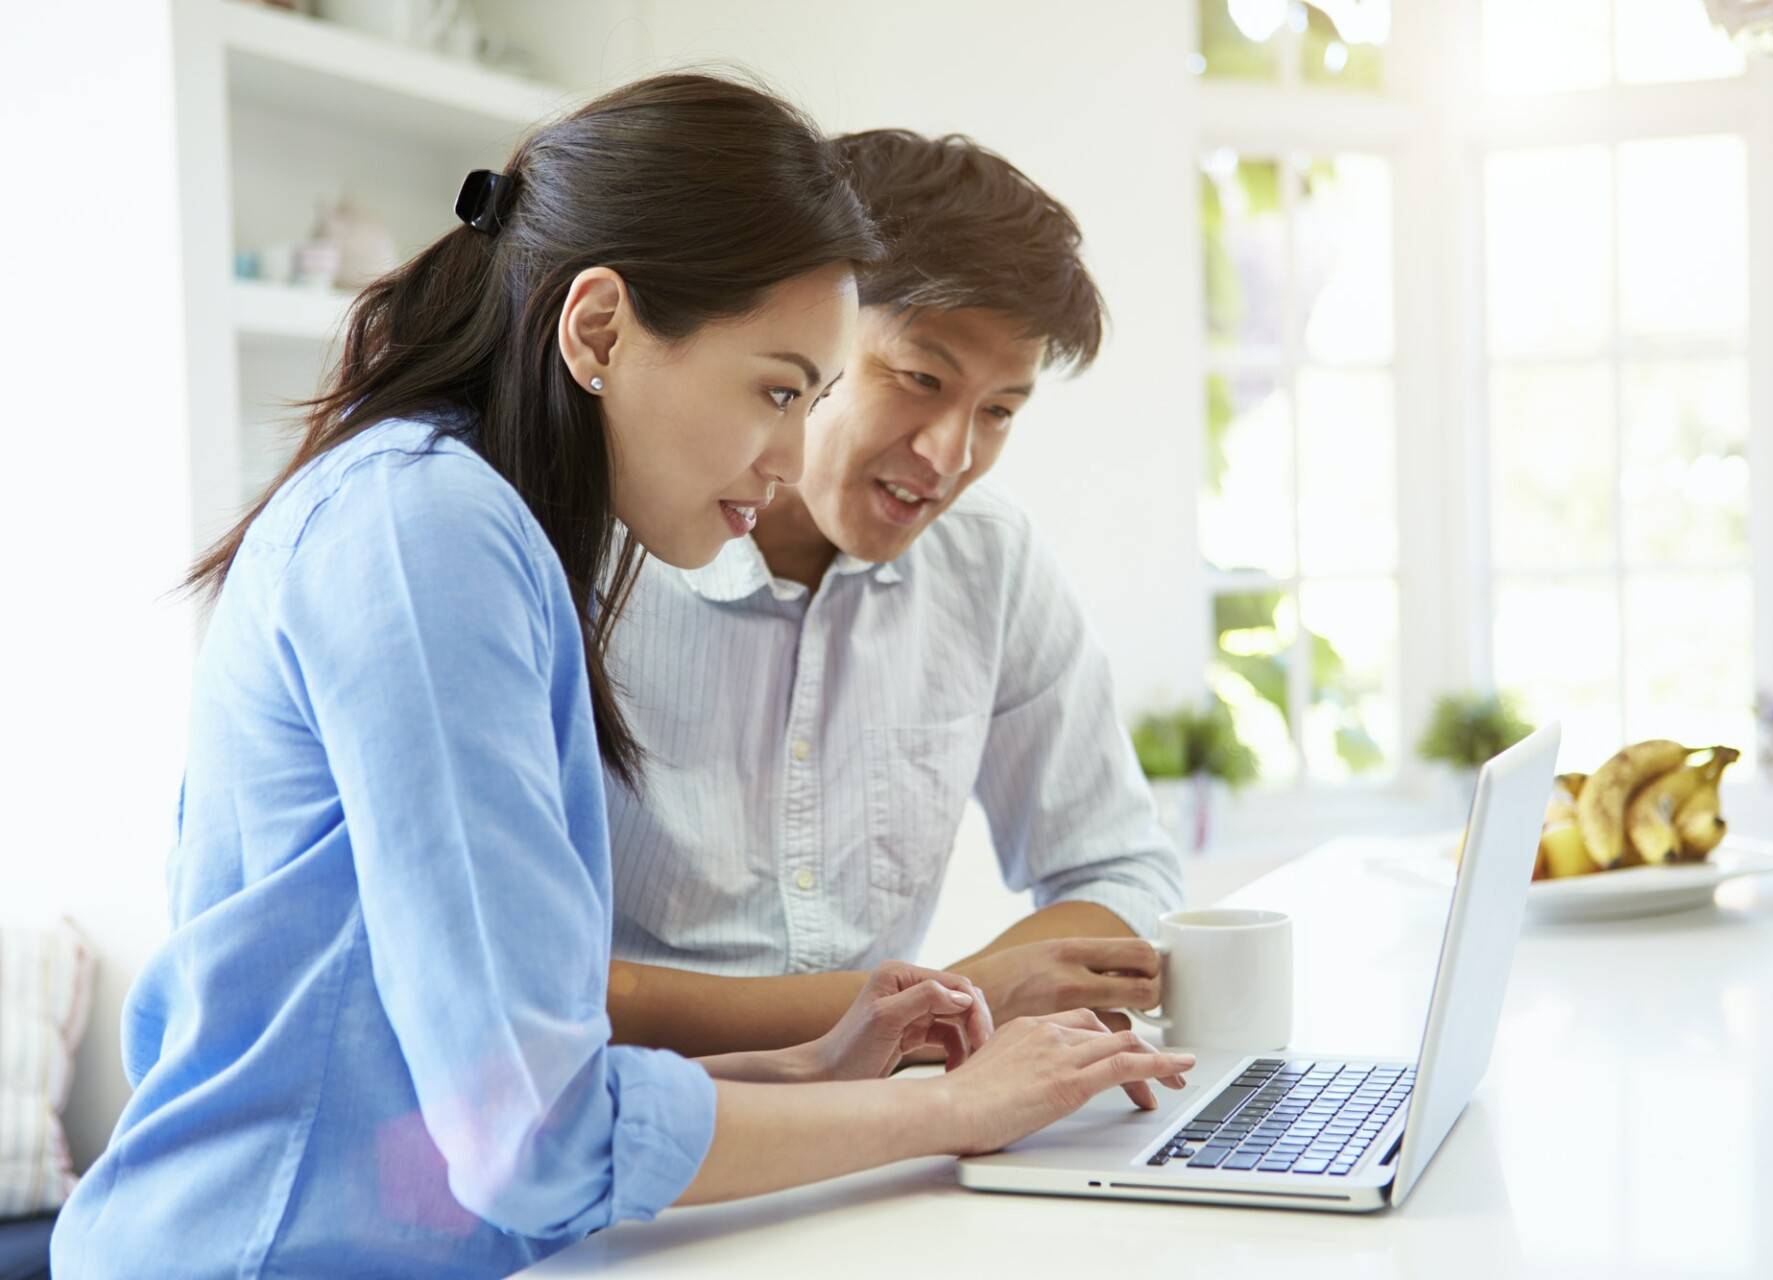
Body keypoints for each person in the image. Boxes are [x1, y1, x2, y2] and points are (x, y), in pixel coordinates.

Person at [50, 76, 1194, 1279]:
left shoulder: (484, 528)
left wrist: (817, 1062)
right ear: (598, 330)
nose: (793, 452)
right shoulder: (425, 532)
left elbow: (516, 1087)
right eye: (778, 390)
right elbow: (533, 1135)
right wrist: (951, 1106)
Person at [600, 130, 1184, 1060]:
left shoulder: (988, 561)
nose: (952, 456)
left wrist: (941, 1011)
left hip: (887, 1121)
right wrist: (951, 1001)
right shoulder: (590, 551)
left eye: (999, 411)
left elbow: (1120, 867)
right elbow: (538, 985)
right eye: (921, 380)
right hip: (643, 1131)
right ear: (813, 330)